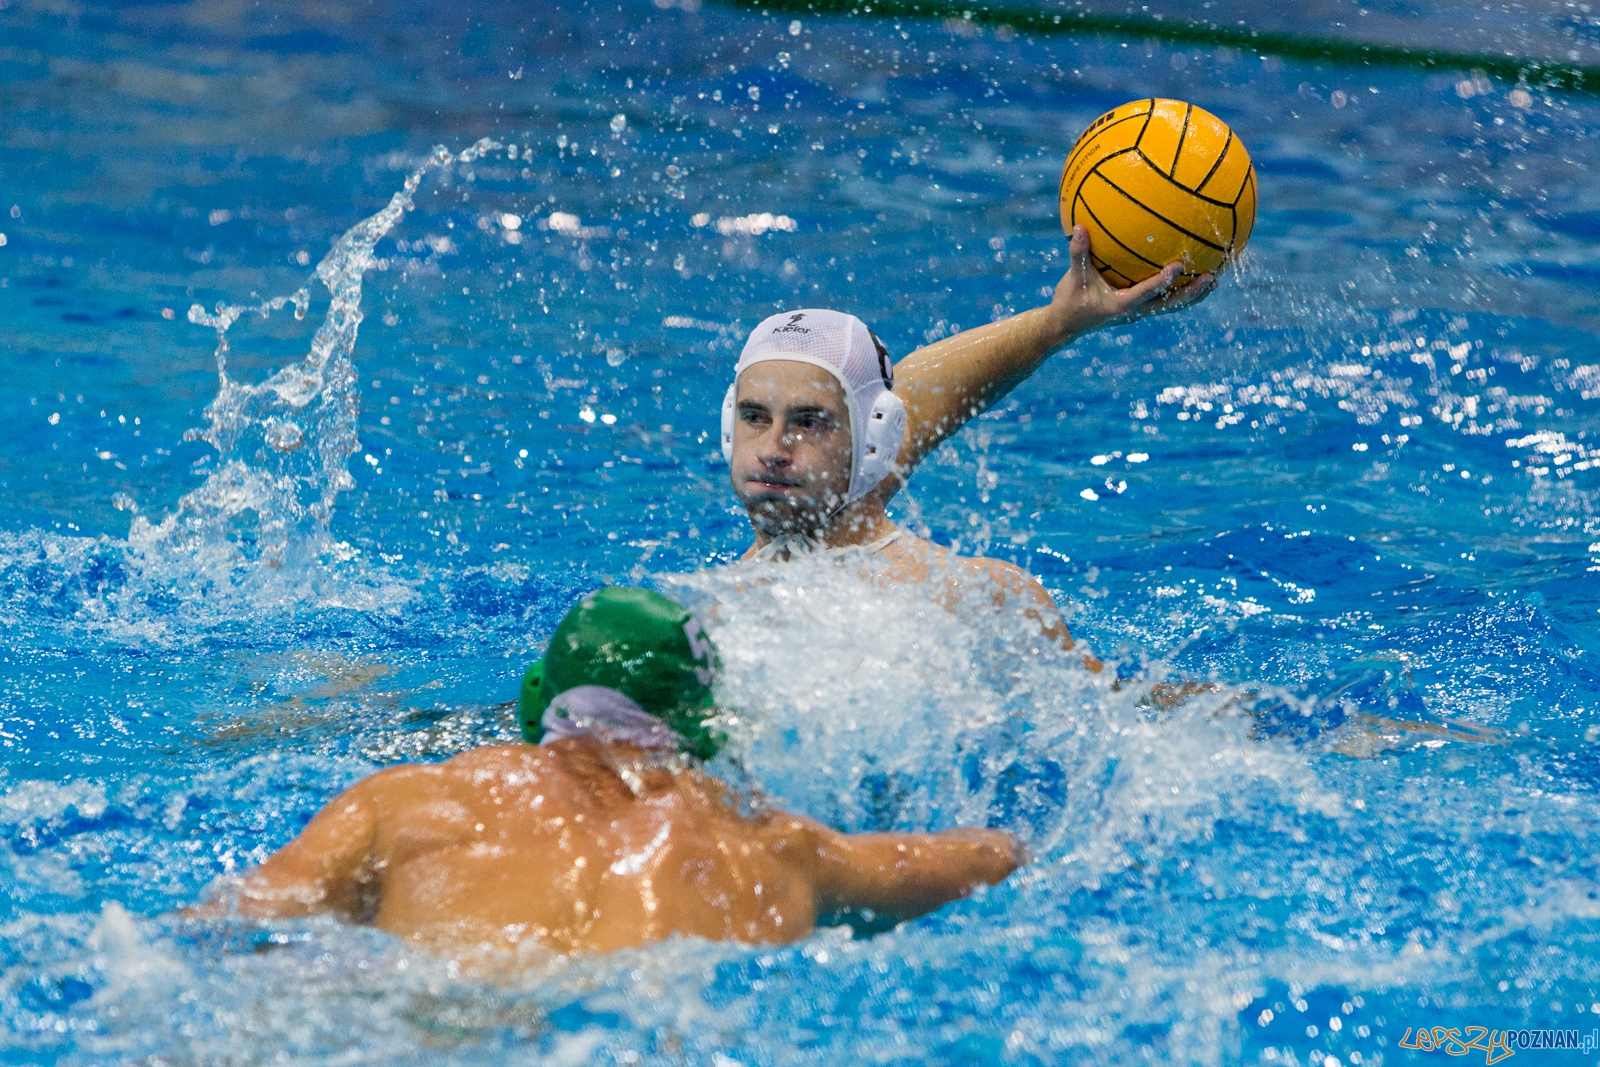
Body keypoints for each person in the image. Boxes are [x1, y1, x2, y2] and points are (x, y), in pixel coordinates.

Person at [204, 588, 1023, 955]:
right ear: (704, 731)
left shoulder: (410, 801)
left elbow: (229, 921)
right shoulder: (773, 847)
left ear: (538, 698)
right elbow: (987, 858)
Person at [722, 227, 1214, 660]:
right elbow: (923, 391)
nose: (772, 447)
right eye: (754, 416)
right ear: (729, 425)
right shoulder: (721, 606)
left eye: (809, 422)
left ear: (873, 440)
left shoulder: (977, 601)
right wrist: (1058, 323)